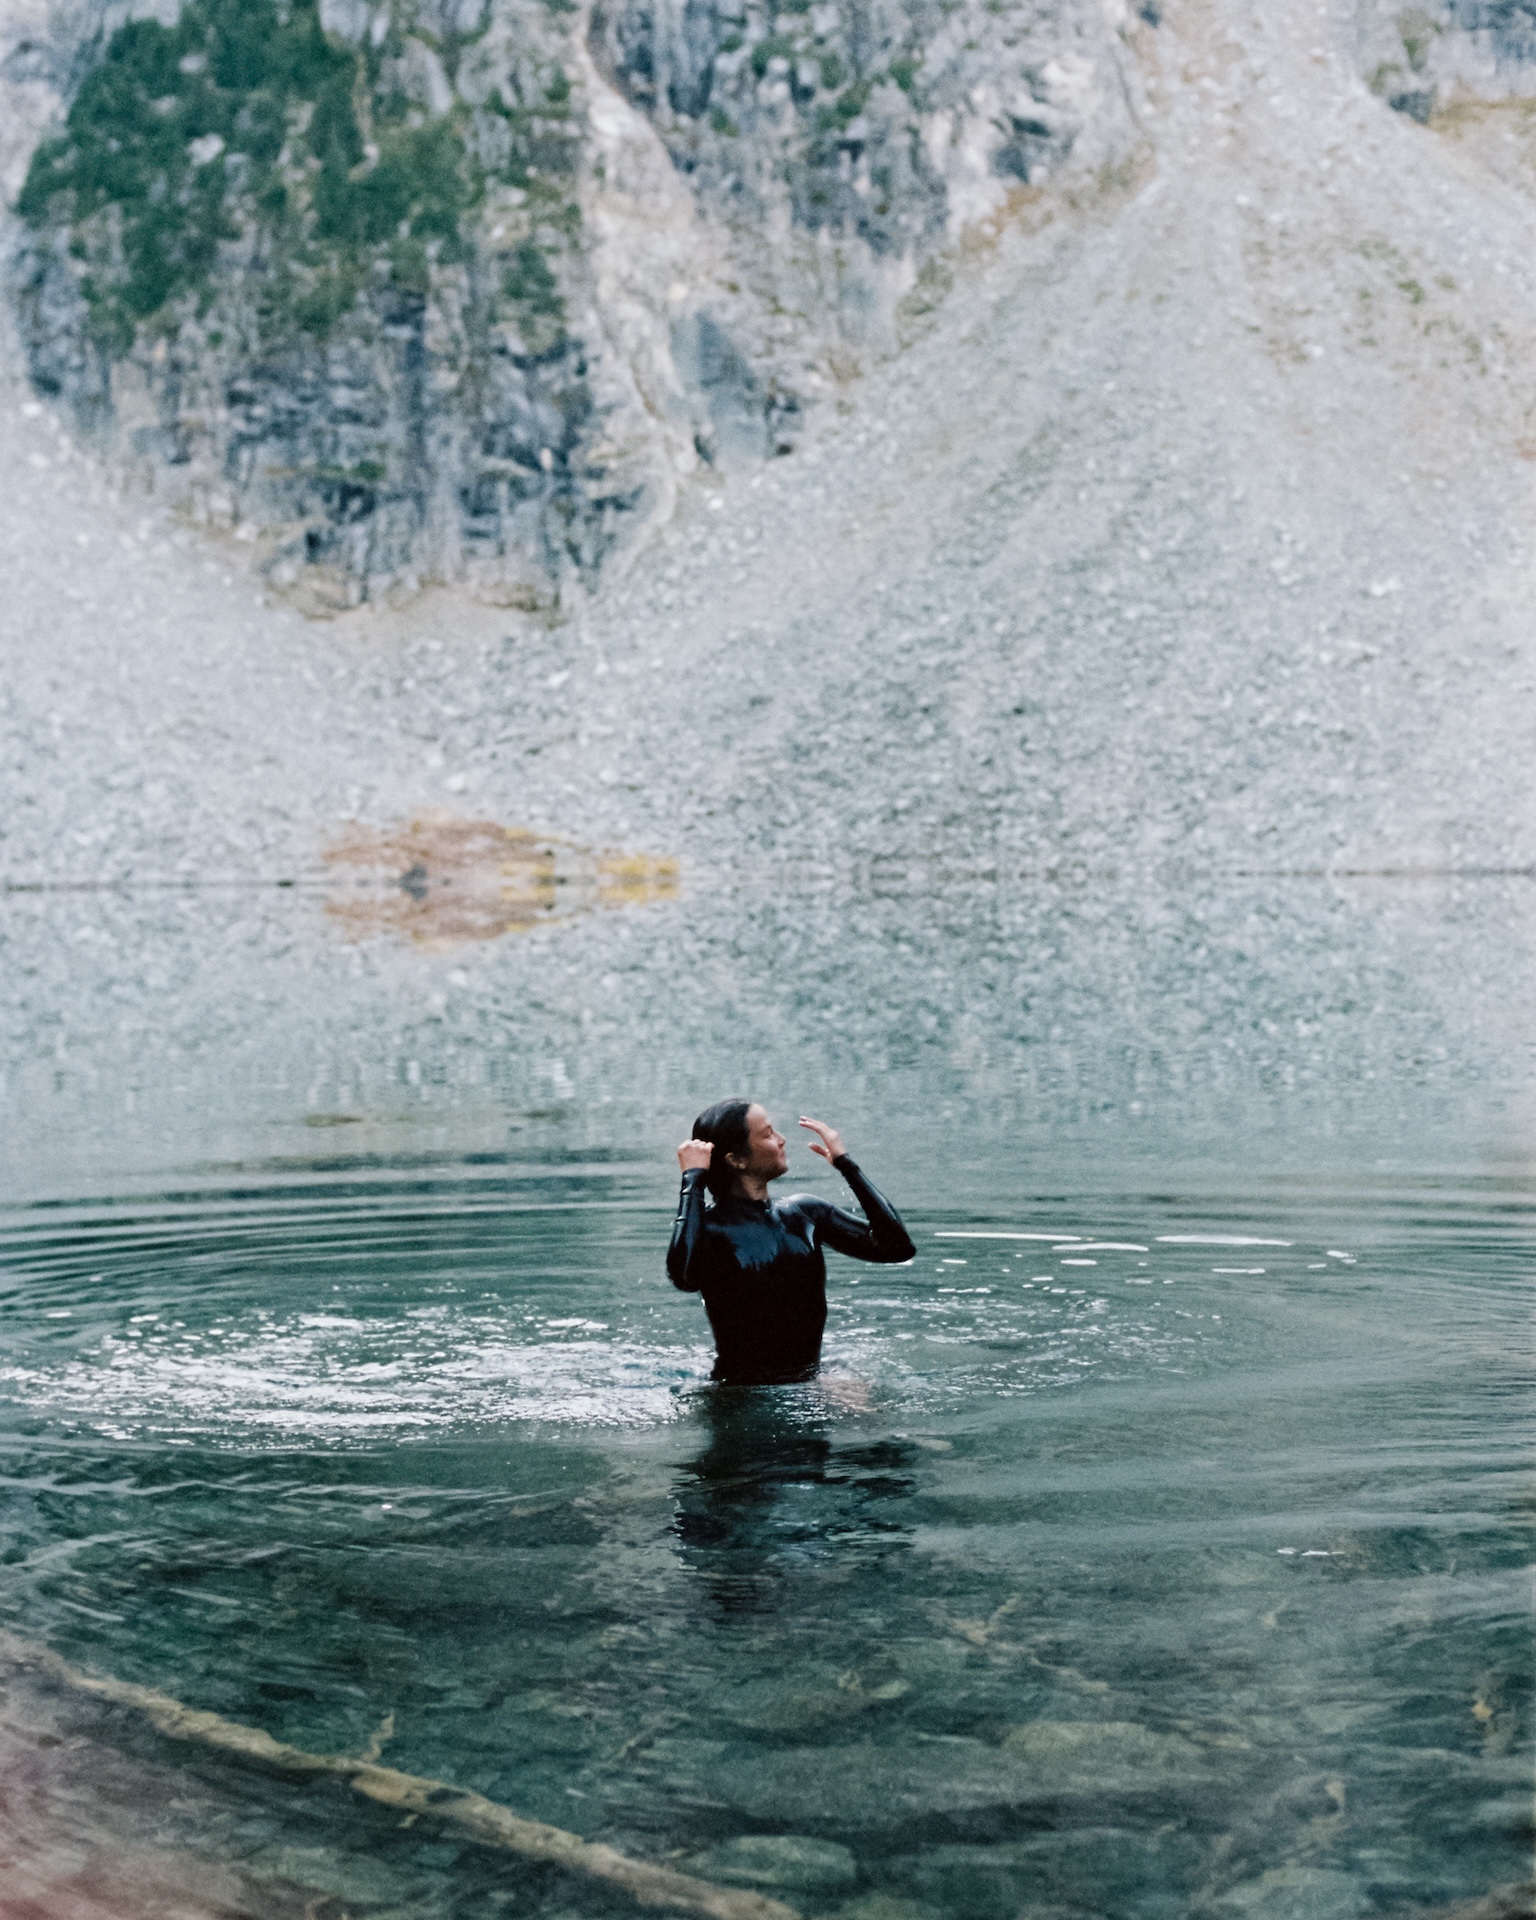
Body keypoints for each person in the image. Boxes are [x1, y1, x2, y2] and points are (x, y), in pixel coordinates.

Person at [666, 1101, 915, 1386]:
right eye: (768, 1134)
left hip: (809, 1380)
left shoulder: (805, 1214)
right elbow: (684, 1277)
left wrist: (847, 1165)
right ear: (737, 1160)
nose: (782, 1139)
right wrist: (693, 1180)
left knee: (854, 1393)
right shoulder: (712, 1229)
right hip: (741, 1392)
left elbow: (897, 1248)